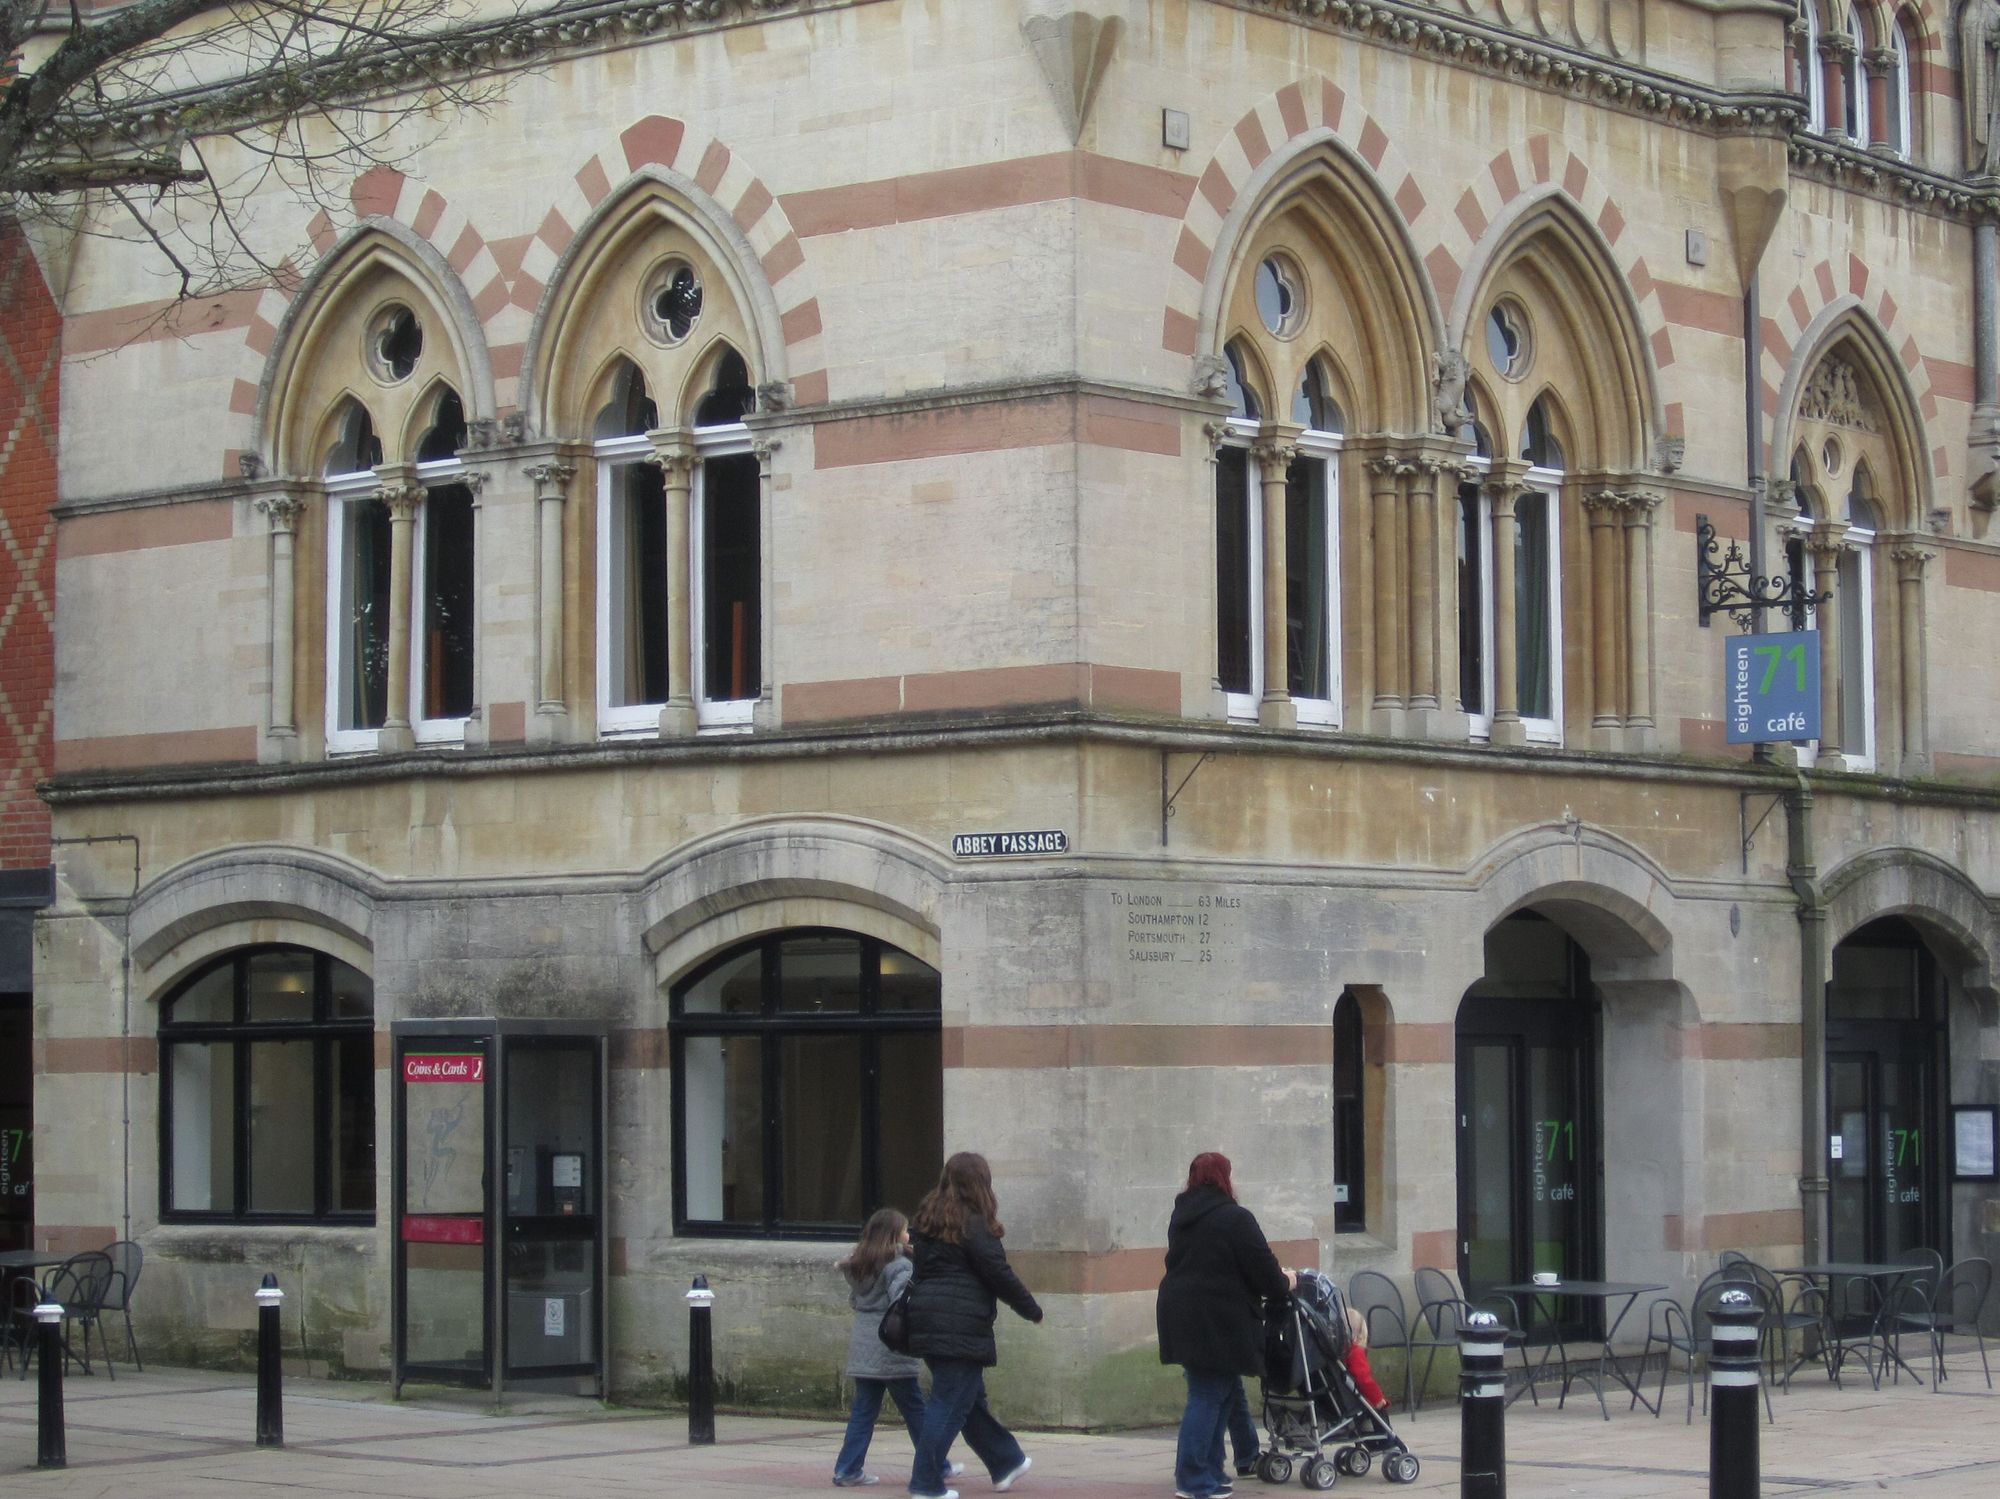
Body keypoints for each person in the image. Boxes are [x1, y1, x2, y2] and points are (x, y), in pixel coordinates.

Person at [1157, 1152, 1296, 1499]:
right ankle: (1192, 1478)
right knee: (1207, 1395)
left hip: (1180, 1311)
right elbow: (1265, 1271)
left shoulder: (1181, 1216)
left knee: (1219, 1390)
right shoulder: (1236, 1218)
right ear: (1225, 1177)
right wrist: (1288, 1281)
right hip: (1216, 1319)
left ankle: (1212, 1470)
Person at [905, 1152, 1042, 1499]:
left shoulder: (925, 1220)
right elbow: (997, 1272)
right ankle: (925, 1483)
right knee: (949, 1402)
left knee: (969, 1399)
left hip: (925, 1317)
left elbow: (921, 1269)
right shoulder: (974, 1223)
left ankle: (1005, 1461)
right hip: (960, 1323)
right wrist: (1031, 1309)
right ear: (980, 1182)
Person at [832, 1208, 964, 1487]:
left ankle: (847, 1469)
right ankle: (937, 1465)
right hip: (891, 1347)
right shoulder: (899, 1263)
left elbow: (857, 1300)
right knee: (917, 1411)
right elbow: (901, 1302)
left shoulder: (860, 1263)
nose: (909, 1234)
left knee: (863, 1411)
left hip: (864, 1346)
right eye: (905, 1229)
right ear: (894, 1234)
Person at [1341, 1305, 1390, 1412]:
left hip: (1340, 1397)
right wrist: (1378, 1398)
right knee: (1381, 1416)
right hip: (1359, 1402)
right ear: (1359, 1334)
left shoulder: (1337, 1352)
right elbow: (1363, 1379)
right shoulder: (1355, 1352)